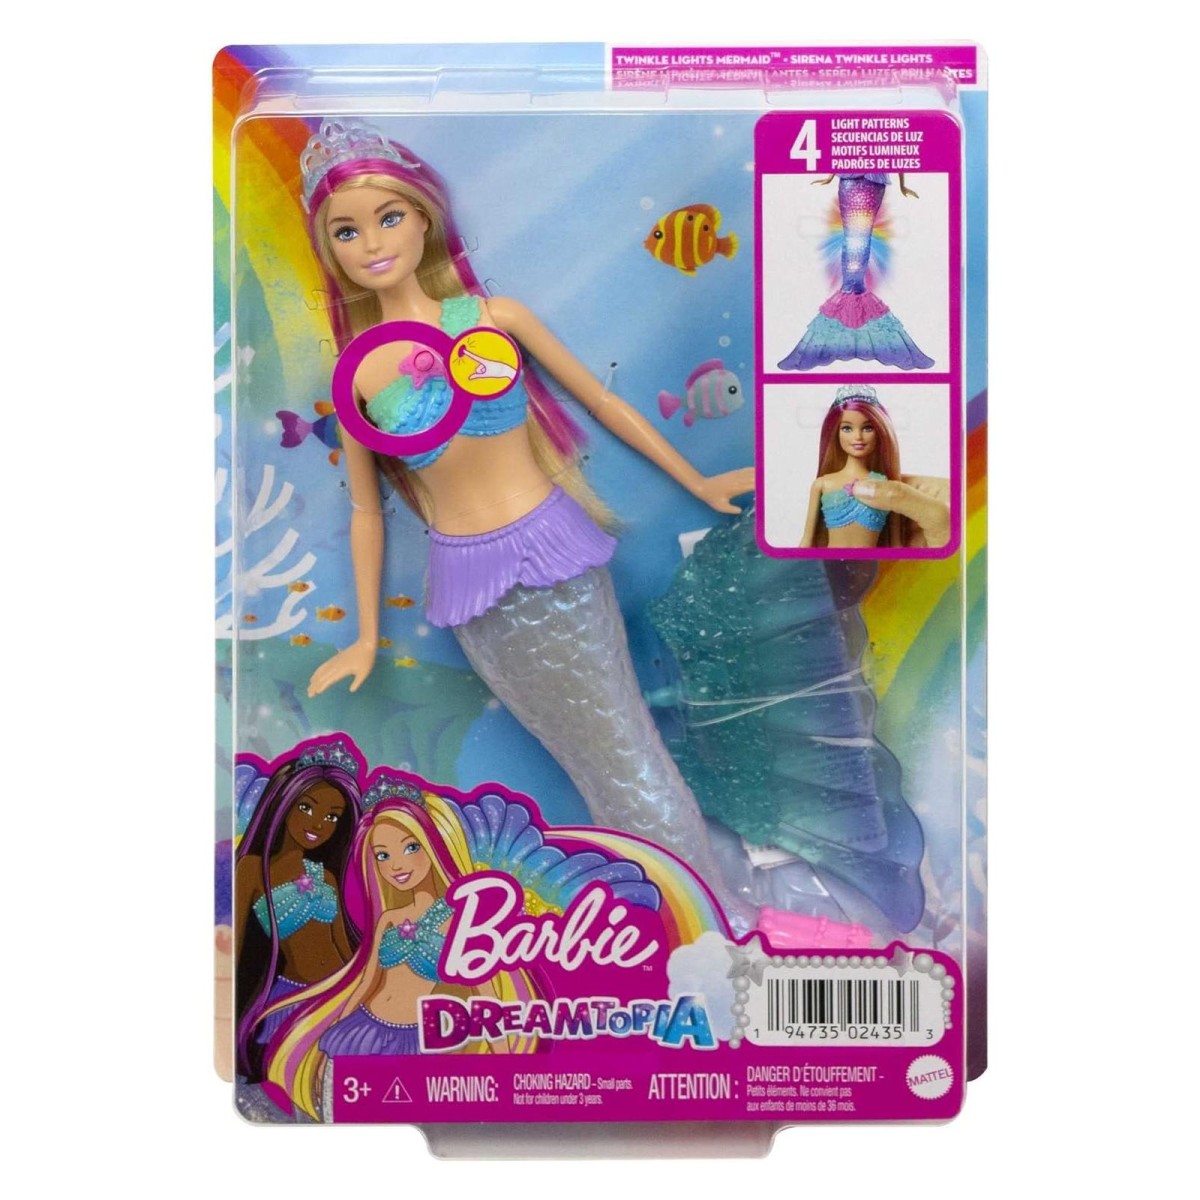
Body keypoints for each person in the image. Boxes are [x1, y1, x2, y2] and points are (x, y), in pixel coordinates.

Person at [296, 117, 758, 932]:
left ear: (425, 217)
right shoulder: (356, 372)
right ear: (329, 249)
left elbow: (599, 401)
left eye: (389, 217)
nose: (372, 243)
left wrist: (696, 478)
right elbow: (368, 508)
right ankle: (677, 927)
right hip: (472, 586)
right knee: (598, 768)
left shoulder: (493, 316)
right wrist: (366, 637)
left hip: (554, 554)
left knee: (628, 756)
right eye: (347, 230)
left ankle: (714, 925)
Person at [263, 782, 526, 1119]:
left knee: (403, 1117)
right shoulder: (389, 918)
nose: (396, 865)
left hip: (415, 1038)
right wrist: (330, 1030)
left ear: (433, 844)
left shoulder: (461, 921)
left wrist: (507, 1064)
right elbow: (366, 982)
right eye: (383, 855)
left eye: (410, 847)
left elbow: (485, 996)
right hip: (361, 1030)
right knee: (340, 1119)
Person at [234, 740, 362, 1082]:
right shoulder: (252, 870)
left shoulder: (326, 876)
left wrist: (362, 985)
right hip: (292, 994)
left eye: (332, 817)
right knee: (294, 1077)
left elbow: (342, 947)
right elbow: (236, 949)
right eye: (306, 807)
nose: (318, 824)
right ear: (284, 803)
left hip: (337, 990)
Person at [777, 172, 933, 371]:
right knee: (852, 239)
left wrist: (902, 184)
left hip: (874, 180)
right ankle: (851, 299)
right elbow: (841, 152)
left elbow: (894, 157)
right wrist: (830, 176)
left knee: (861, 238)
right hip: (849, 179)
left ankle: (852, 300)